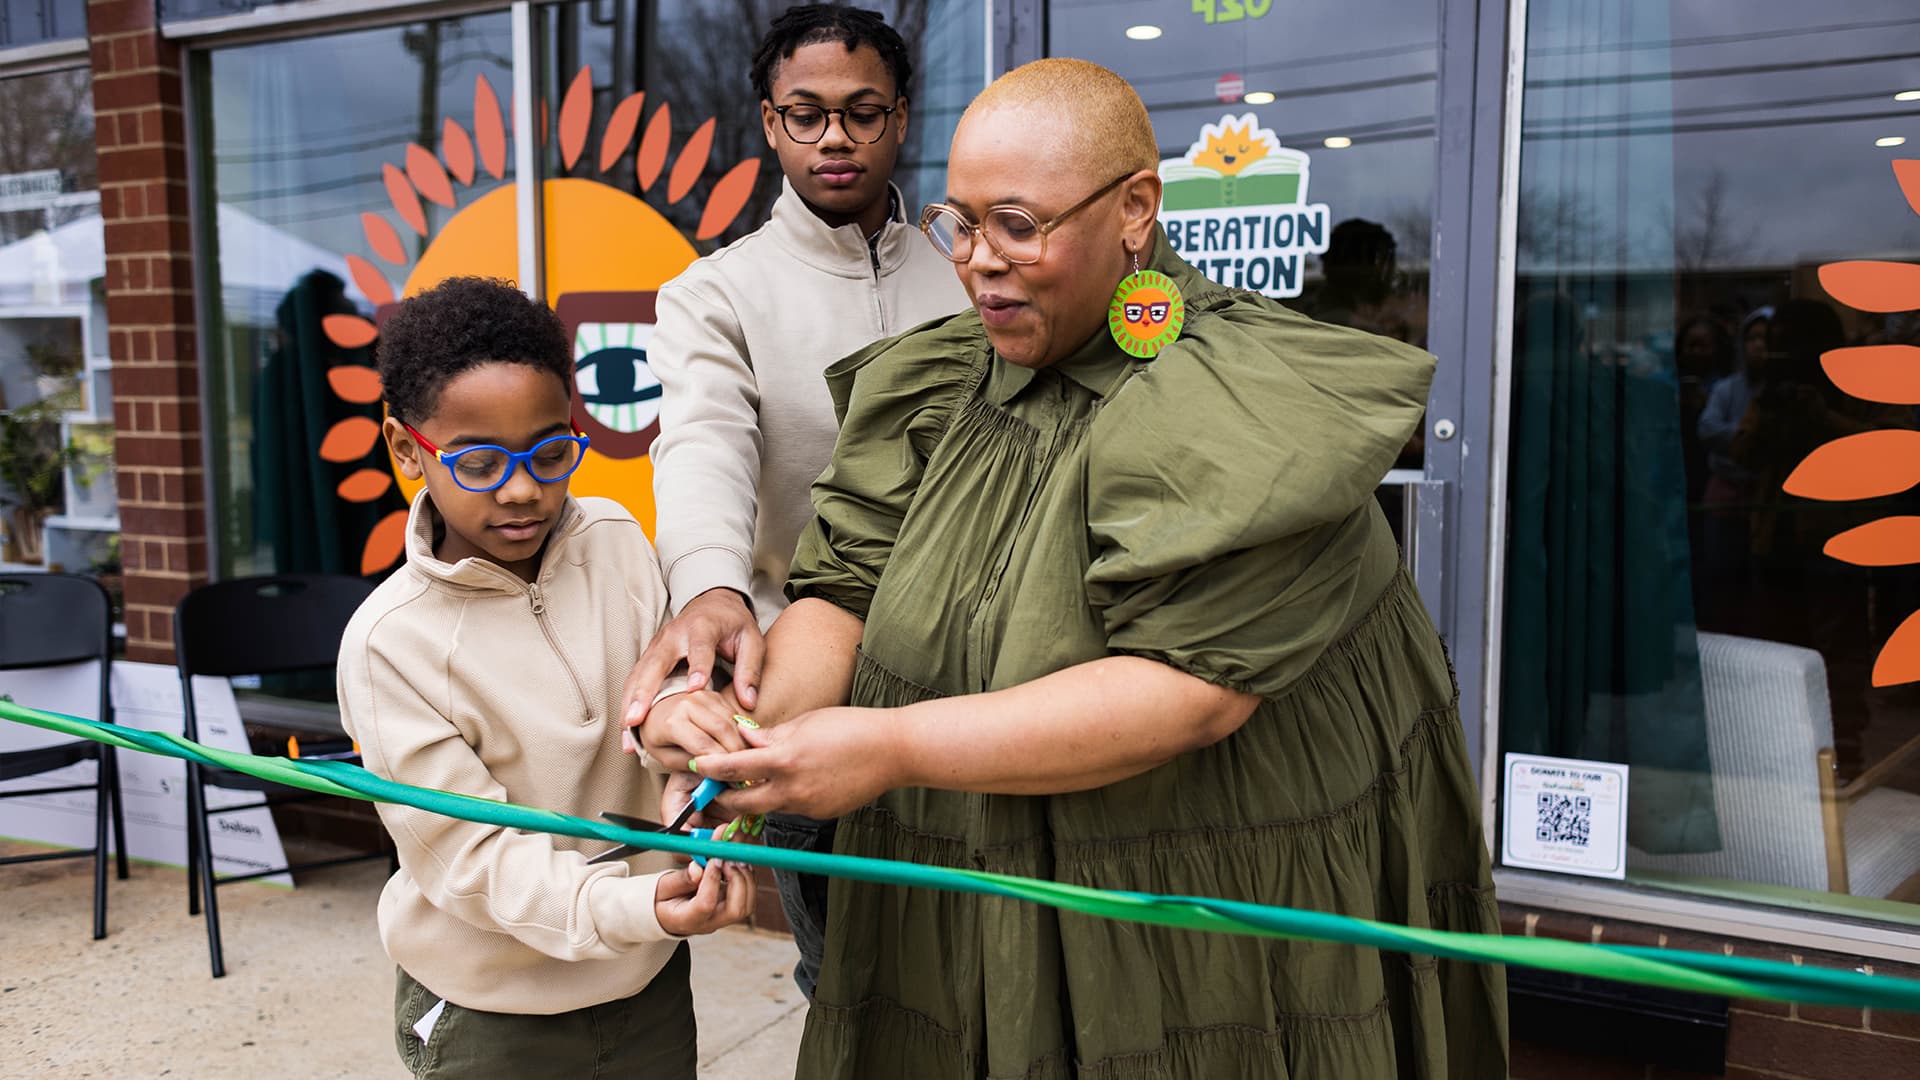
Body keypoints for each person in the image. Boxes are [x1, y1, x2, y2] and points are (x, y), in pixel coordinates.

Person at [640, 59, 1507, 1077]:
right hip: (955, 896)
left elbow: (1192, 696)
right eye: (959, 224)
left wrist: (888, 747)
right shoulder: (939, 379)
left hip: (1180, 917)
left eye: (1018, 225)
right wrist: (742, 731)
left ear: (1136, 208)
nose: (976, 263)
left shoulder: (1241, 404)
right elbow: (842, 591)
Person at [621, 2, 964, 999]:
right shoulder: (715, 295)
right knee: (853, 975)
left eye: (862, 112)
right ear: (769, 124)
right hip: (812, 686)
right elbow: (701, 446)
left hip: (973, 678)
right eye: (805, 114)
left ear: (900, 118)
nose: (835, 139)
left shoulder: (967, 279)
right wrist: (710, 587)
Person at [338, 277, 754, 1080]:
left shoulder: (617, 540)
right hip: (492, 1016)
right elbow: (475, 860)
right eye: (481, 461)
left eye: (550, 451)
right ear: (404, 448)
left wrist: (676, 722)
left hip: (646, 982)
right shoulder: (390, 646)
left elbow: (658, 685)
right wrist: (633, 906)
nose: (523, 488)